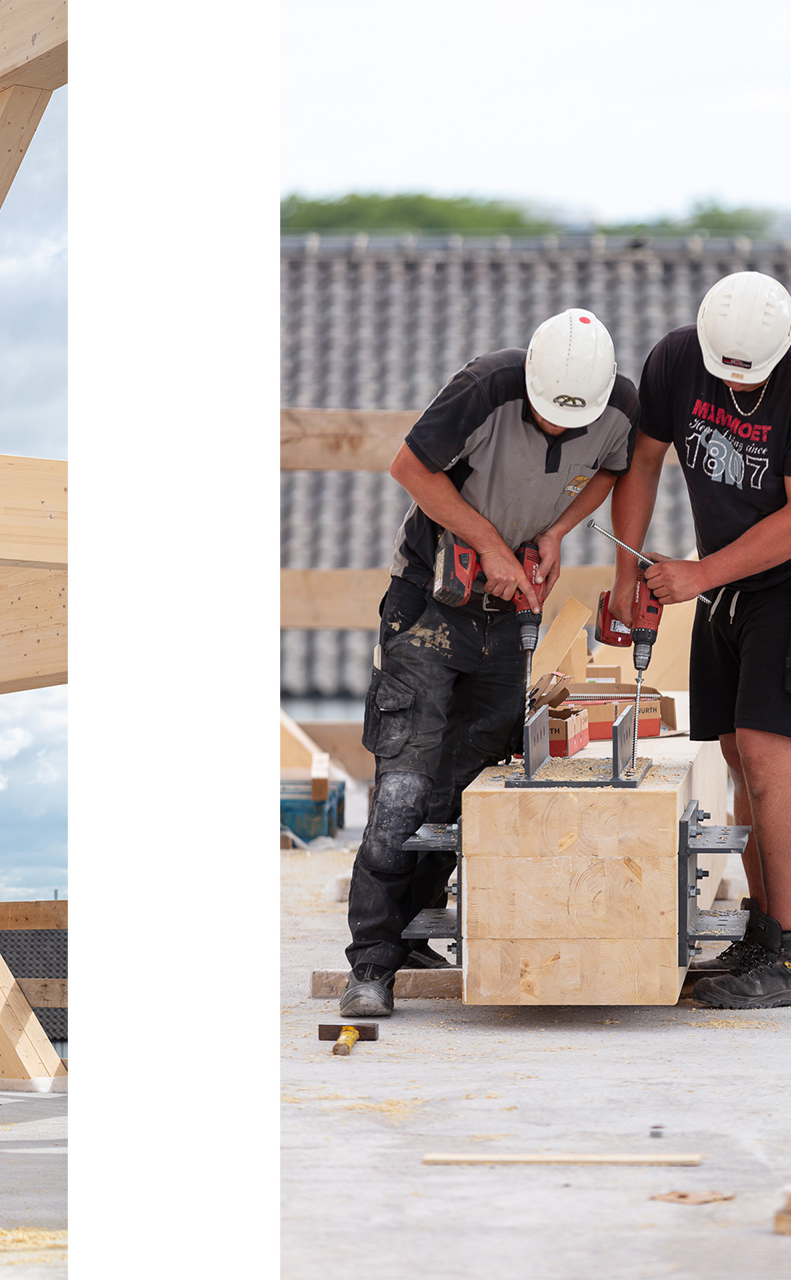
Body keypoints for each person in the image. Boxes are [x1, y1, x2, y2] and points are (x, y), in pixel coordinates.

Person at [340, 309, 639, 1018]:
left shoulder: (621, 407)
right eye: (551, 416)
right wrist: (490, 543)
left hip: (506, 617)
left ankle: (412, 931)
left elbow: (616, 473)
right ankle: (371, 966)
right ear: (531, 381)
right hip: (429, 608)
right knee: (404, 790)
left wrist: (558, 532)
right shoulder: (486, 387)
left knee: (469, 784)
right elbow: (409, 466)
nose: (564, 432)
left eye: (578, 422)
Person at [606, 271, 791, 1009]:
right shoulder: (675, 360)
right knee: (732, 754)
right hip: (728, 582)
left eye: (747, 373)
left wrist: (699, 573)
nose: (731, 380)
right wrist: (628, 569)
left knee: (766, 757)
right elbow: (645, 459)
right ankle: (763, 934)